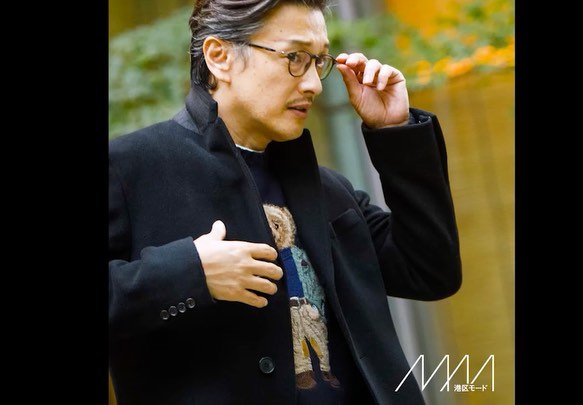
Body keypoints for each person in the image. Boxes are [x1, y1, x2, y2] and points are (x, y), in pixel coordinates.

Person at [108, 0, 462, 403]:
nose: (314, 84)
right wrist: (190, 273)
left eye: (319, 62)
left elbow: (429, 271)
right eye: (295, 58)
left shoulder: (329, 189)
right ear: (220, 57)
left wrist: (395, 132)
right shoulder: (129, 169)